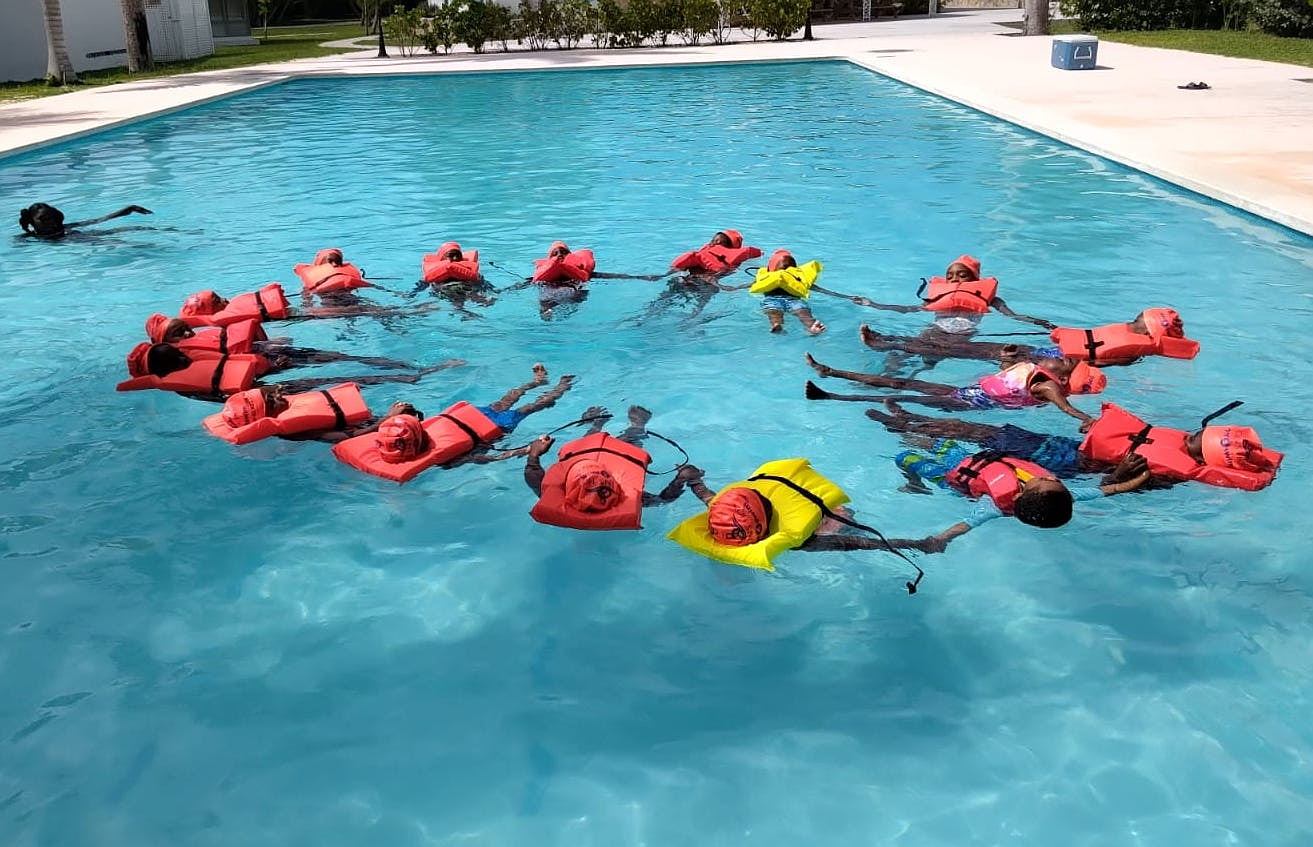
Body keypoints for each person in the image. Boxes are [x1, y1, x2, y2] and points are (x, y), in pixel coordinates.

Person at [864, 399, 1283, 492]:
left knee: (976, 439)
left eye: (1194, 440)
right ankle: (906, 424)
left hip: (1062, 464)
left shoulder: (1171, 473)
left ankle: (900, 427)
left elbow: (1116, 487)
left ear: (1204, 454)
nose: (1187, 435)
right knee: (977, 433)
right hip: (1063, 446)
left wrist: (1120, 473)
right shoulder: (1177, 449)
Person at [883, 440, 1151, 553]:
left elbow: (965, 525)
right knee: (936, 442)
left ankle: (914, 485)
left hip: (951, 480)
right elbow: (1111, 489)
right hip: (971, 462)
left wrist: (938, 541)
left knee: (903, 457)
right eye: (1053, 481)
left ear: (1024, 492)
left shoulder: (992, 506)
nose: (1050, 477)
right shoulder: (1063, 495)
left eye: (1043, 481)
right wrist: (1140, 478)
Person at [805, 352, 1107, 427]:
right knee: (902, 383)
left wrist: (1087, 419)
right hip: (969, 391)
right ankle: (830, 371)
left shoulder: (1049, 387)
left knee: (902, 394)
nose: (1058, 356)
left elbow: (1066, 408)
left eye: (1064, 361)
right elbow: (1006, 378)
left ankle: (831, 395)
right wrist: (1005, 359)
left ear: (1064, 378)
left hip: (971, 403)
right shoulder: (1039, 372)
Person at [121, 340, 462, 402]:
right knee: (335, 381)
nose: (186, 360)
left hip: (263, 374)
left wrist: (272, 364)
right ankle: (414, 376)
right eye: (179, 360)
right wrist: (267, 385)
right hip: (261, 393)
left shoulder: (189, 367)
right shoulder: (184, 387)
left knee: (332, 357)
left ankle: (408, 369)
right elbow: (232, 397)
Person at [858, 307, 1199, 368]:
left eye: (1138, 321)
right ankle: (895, 343)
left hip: (1046, 360)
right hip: (1045, 352)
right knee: (961, 348)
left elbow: (1092, 362)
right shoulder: (1129, 339)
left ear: (1149, 331)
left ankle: (888, 342)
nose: (1131, 320)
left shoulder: (1132, 351)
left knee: (965, 350)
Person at [523, 405, 699, 514]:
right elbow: (663, 500)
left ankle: (596, 424)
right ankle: (637, 427)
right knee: (622, 450)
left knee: (584, 453)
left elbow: (533, 475)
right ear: (613, 486)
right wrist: (680, 479)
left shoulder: (557, 493)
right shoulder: (628, 496)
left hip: (584, 474)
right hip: (610, 471)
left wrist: (534, 454)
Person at [145, 313, 417, 371]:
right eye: (179, 333)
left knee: (337, 357)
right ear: (166, 342)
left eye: (186, 328)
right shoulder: (185, 356)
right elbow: (229, 364)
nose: (188, 334)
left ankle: (395, 364)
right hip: (271, 361)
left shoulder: (198, 342)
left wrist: (269, 343)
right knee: (334, 359)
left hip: (268, 352)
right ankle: (398, 367)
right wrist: (274, 365)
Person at [751, 250, 826, 334]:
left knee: (773, 312)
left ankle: (776, 323)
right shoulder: (798, 278)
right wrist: (836, 294)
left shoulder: (766, 277)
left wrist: (737, 287)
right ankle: (811, 325)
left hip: (772, 299)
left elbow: (750, 286)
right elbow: (820, 289)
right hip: (794, 300)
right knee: (803, 312)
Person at [18, 202, 152, 239]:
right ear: (32, 221)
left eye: (51, 217)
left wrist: (128, 209)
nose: (50, 222)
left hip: (77, 236)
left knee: (130, 229)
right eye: (43, 219)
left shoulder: (65, 227)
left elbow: (99, 220)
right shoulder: (28, 237)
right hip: (79, 241)